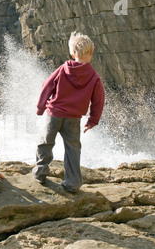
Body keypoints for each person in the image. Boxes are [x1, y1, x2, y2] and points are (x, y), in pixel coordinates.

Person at [32, 31, 105, 193]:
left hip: (54, 114)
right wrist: (93, 120)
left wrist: (40, 107)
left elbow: (47, 85)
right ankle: (72, 182)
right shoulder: (94, 76)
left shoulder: (63, 69)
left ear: (72, 53)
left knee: (46, 142)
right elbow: (99, 100)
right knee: (73, 148)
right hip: (73, 118)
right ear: (91, 53)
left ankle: (40, 172)